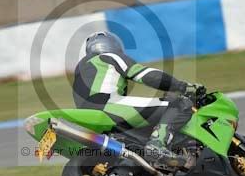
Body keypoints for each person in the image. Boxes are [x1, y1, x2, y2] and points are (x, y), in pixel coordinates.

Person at [73, 31, 203, 168]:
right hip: (107, 104)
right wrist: (182, 86)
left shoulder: (80, 70)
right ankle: (157, 145)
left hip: (89, 118)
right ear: (113, 45)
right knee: (180, 103)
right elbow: (146, 75)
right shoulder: (110, 57)